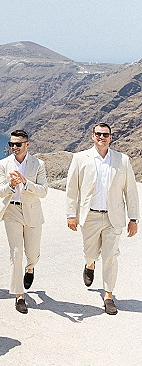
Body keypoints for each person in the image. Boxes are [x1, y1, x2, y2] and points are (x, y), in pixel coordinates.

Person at [66, 122, 138, 314]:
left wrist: (133, 219)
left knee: (111, 257)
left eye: (105, 134)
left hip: (113, 219)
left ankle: (108, 296)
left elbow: (131, 191)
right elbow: (72, 189)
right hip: (89, 216)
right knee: (91, 253)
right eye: (98, 134)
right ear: (92, 136)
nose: (102, 137)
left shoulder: (122, 160)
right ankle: (90, 264)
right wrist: (71, 214)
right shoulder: (80, 158)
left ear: (111, 137)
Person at [0, 130, 48, 314]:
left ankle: (31, 268)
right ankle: (19, 296)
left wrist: (26, 183)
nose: (14, 148)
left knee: (32, 254)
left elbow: (43, 191)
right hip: (12, 211)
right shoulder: (3, 164)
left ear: (27, 144)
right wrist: (11, 185)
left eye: (18, 144)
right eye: (11, 144)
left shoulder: (38, 164)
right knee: (16, 253)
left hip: (32, 211)